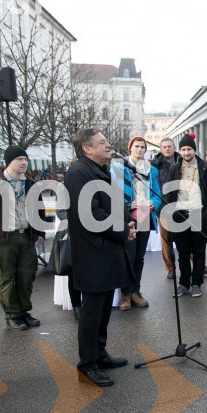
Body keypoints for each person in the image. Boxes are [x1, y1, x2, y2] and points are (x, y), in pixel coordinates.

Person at [65, 129, 134, 387]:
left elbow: (108, 206)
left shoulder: (95, 170)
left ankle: (99, 353)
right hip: (94, 253)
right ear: (86, 148)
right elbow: (92, 215)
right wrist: (122, 231)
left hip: (105, 251)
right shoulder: (79, 174)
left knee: (104, 308)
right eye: (102, 142)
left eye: (107, 141)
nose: (108, 145)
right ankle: (88, 364)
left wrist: (126, 223)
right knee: (92, 312)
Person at [0, 145, 45, 331]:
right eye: (19, 159)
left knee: (26, 277)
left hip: (26, 237)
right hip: (4, 239)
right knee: (7, 278)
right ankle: (12, 315)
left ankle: (24, 311)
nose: (24, 162)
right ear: (9, 162)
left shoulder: (31, 183)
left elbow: (40, 210)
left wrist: (40, 233)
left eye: (25, 159)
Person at [161, 134, 207, 297]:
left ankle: (197, 283)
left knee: (199, 251)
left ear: (194, 150)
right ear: (180, 151)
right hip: (179, 214)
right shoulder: (175, 168)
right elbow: (169, 191)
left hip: (198, 213)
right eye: (183, 149)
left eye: (189, 149)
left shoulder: (205, 167)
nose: (186, 153)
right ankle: (184, 283)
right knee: (183, 252)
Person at [114, 136, 161, 311]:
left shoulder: (152, 171)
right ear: (130, 148)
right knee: (128, 256)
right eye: (136, 146)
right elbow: (113, 192)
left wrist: (153, 204)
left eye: (143, 147)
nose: (140, 150)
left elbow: (157, 194)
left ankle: (136, 291)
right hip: (128, 217)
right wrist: (127, 204)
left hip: (145, 216)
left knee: (139, 257)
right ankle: (125, 294)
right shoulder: (119, 168)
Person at [153, 137, 178, 279]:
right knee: (166, 238)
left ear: (174, 148)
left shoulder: (182, 161)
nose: (167, 149)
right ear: (161, 149)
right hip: (163, 207)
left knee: (189, 237)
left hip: (181, 205)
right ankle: (170, 268)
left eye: (169, 146)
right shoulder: (155, 165)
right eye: (164, 147)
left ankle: (197, 264)